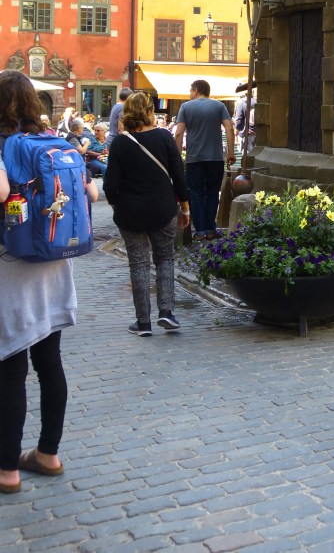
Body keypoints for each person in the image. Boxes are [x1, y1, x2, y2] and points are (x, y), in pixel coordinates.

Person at [0, 70, 97, 495]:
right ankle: (48, 453)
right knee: (49, 362)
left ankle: (7, 470)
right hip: (56, 262)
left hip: (13, 268)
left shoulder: (4, 145)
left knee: (10, 370)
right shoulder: (55, 142)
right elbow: (91, 195)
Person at [104, 92, 190, 336]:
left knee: (139, 263)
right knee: (164, 259)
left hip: (130, 211)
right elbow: (179, 175)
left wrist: (115, 205)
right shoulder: (164, 137)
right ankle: (167, 312)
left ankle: (143, 322)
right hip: (163, 208)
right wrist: (185, 207)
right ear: (150, 111)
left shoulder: (120, 143)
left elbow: (110, 185)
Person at [175, 79, 235, 239]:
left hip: (194, 158)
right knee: (213, 192)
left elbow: (179, 133)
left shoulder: (186, 107)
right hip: (215, 157)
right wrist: (231, 153)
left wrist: (177, 155)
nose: (189, 94)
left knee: (195, 193)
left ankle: (200, 230)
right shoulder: (219, 106)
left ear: (195, 90)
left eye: (190, 90)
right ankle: (210, 229)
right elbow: (229, 127)